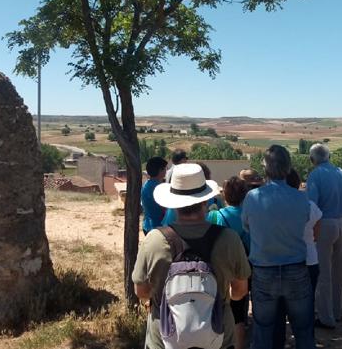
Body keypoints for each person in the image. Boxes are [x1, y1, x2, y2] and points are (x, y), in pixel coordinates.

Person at [133, 163, 251, 349]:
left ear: (173, 203)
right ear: (205, 200)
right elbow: (240, 291)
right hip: (218, 336)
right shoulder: (229, 239)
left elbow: (141, 291)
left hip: (164, 338)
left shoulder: (154, 240)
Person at [242, 145, 317, 349]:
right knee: (303, 329)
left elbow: (246, 226)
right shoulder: (302, 198)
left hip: (264, 271)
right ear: (288, 168)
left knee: (263, 330)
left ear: (265, 168)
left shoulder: (252, 197)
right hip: (296, 270)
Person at [306, 143, 342, 328]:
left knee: (323, 271)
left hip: (324, 223)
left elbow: (312, 206)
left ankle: (325, 317)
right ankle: (337, 310)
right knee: (339, 269)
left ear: (313, 159)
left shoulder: (315, 175)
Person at [207, 176, 251, 349]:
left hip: (219, 268)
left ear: (225, 195)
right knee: (239, 313)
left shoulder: (214, 215)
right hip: (245, 265)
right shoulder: (249, 217)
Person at [141, 156, 167, 234]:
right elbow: (164, 209)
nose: (166, 171)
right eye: (165, 168)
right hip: (156, 227)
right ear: (160, 170)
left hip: (147, 225)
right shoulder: (159, 188)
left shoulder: (146, 184)